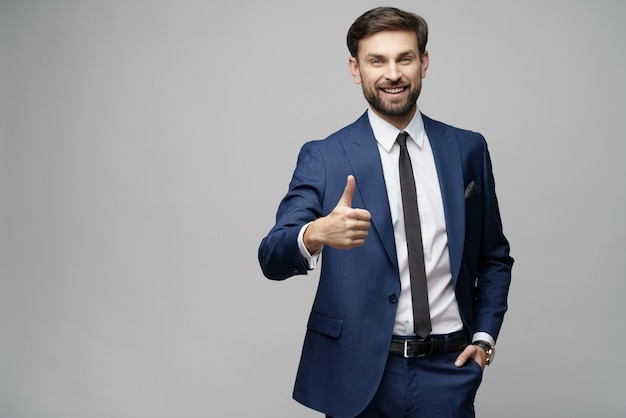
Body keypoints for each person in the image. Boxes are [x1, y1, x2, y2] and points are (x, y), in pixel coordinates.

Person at [258, 6, 513, 418]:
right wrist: (316, 233)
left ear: (423, 63)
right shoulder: (324, 156)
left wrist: (484, 340)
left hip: (448, 371)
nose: (392, 74)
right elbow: (271, 256)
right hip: (357, 377)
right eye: (377, 60)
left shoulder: (467, 150)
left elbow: (494, 257)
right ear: (355, 69)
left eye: (404, 58)